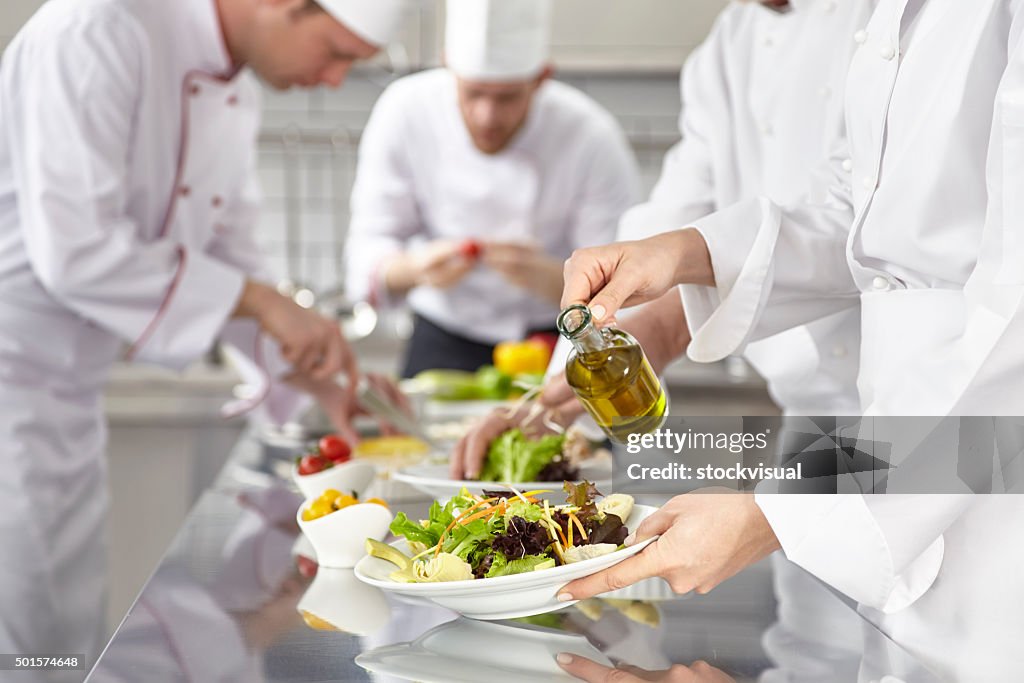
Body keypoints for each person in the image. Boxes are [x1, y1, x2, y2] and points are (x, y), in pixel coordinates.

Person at [552, 1, 1024, 679]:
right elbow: (861, 207)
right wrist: (685, 251)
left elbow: (1012, 331)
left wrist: (780, 513)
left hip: (989, 494)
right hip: (884, 451)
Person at [0, 0, 411, 678]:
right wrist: (259, 301)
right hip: (9, 382)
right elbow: (76, 249)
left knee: (61, 646)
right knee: (20, 650)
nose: (335, 79)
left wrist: (320, 377)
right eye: (336, 52)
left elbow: (236, 262)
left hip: (67, 400)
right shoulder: (98, 27)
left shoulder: (234, 95)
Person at [449, 0, 873, 481]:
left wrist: (684, 254)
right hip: (807, 416)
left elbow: (862, 222)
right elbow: (678, 207)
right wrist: (553, 406)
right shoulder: (733, 38)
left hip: (918, 408)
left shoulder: (903, 18)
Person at [344, 0, 641, 377]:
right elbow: (366, 252)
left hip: (558, 339)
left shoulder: (590, 137)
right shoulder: (405, 112)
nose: (487, 115)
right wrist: (416, 269)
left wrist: (553, 279)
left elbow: (620, 282)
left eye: (507, 97)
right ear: (448, 66)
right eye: (473, 93)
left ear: (541, 78)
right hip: (443, 338)